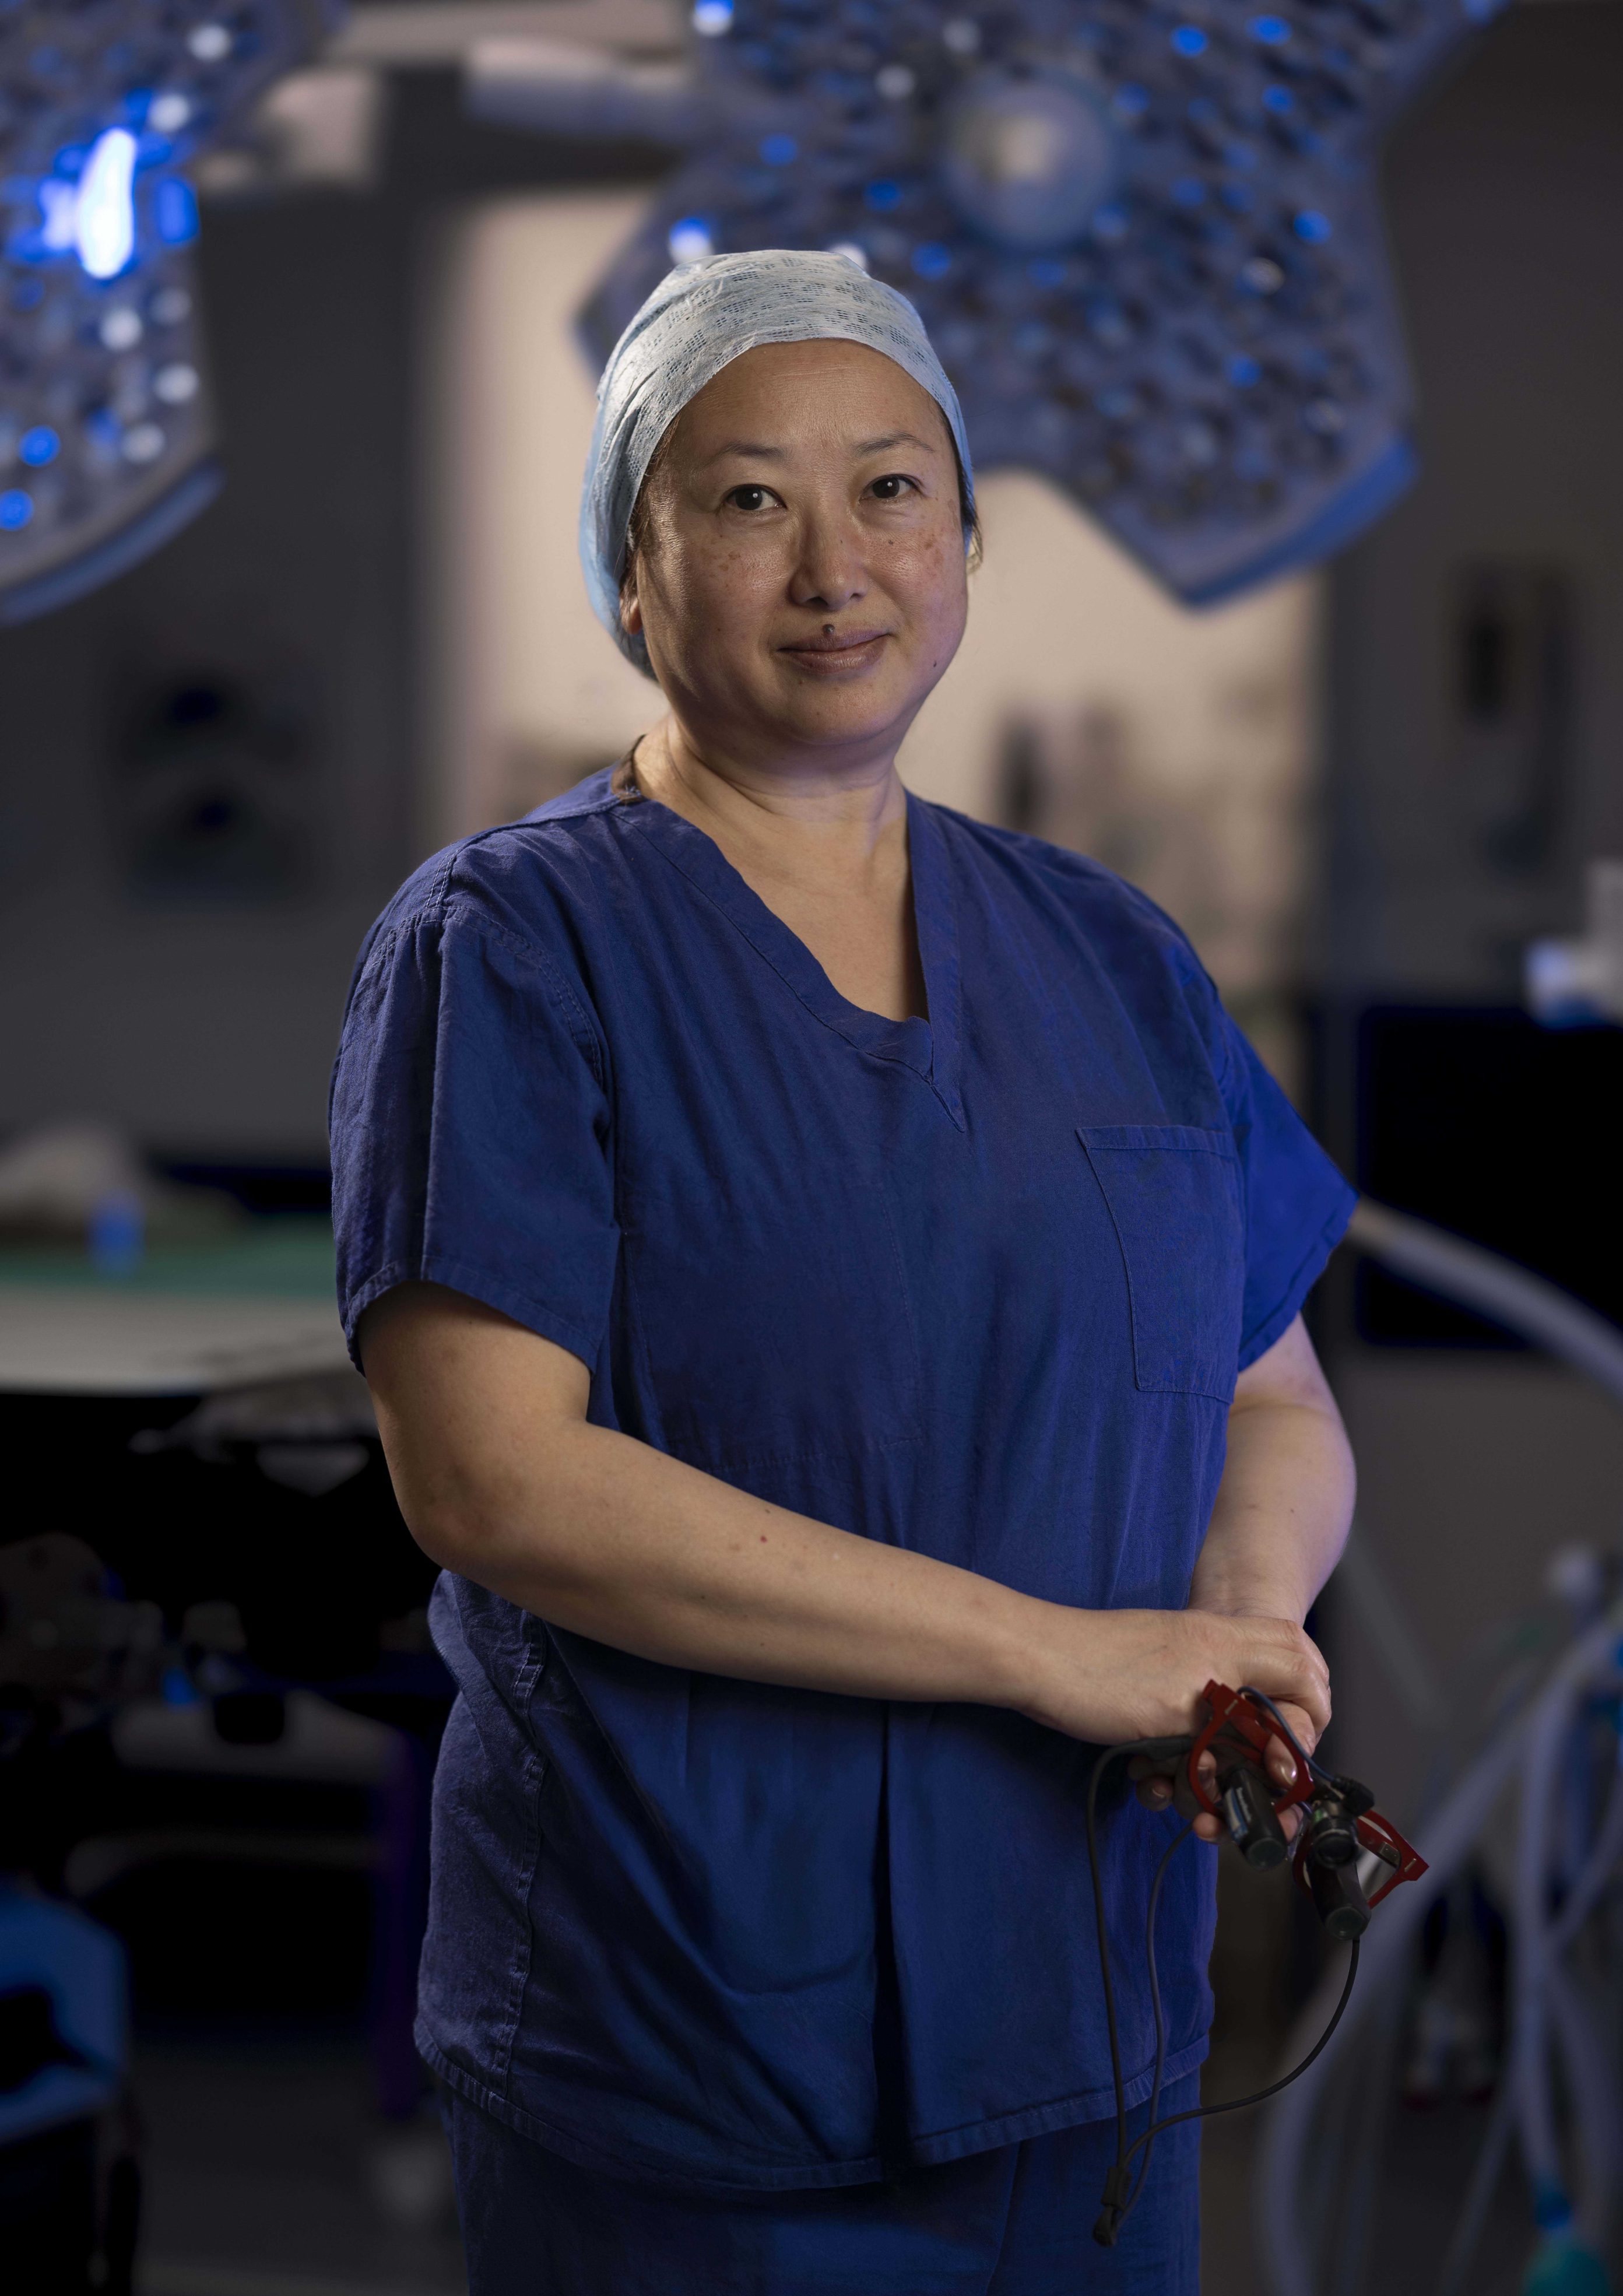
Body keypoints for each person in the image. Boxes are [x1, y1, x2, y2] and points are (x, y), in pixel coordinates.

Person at [330, 249, 1357, 2295]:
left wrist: (1229, 1627)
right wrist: (1058, 1652)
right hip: (690, 2030)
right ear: (635, 574)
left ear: (967, 537)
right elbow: (494, 1481)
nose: (834, 563)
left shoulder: (1114, 955)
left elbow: (1273, 1391)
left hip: (1083, 2029)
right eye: (743, 498)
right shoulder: (510, 949)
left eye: (892, 487)